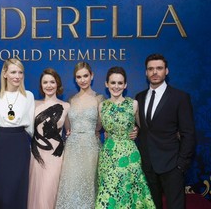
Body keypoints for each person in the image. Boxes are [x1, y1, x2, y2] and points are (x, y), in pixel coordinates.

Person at [135, 53, 196, 209]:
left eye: (159, 68)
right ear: (146, 72)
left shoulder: (180, 97)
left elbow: (188, 133)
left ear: (166, 71)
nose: (155, 72)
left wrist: (181, 165)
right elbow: (143, 129)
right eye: (151, 69)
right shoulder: (139, 98)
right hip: (147, 165)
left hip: (172, 166)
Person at [95, 66, 155, 208]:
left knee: (130, 192)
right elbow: (97, 128)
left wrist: (138, 130)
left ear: (125, 85)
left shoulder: (133, 104)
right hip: (108, 156)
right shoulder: (101, 106)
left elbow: (143, 128)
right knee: (108, 195)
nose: (116, 86)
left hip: (130, 155)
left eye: (120, 83)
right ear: (106, 84)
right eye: (113, 82)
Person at [55, 62, 104, 209]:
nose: (82, 80)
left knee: (89, 186)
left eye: (85, 76)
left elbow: (101, 125)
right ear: (75, 79)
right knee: (70, 185)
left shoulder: (99, 98)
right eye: (79, 77)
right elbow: (67, 127)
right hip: (72, 149)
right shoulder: (71, 100)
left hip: (91, 148)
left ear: (92, 76)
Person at [0, 58, 35, 209]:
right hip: (0, 143)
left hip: (19, 143)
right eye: (13, 72)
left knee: (17, 188)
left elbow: (31, 127)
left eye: (20, 72)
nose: (17, 76)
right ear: (5, 73)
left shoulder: (28, 95)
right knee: (1, 188)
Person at [28, 68, 70, 209]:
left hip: (55, 157)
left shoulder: (66, 106)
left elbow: (70, 131)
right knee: (37, 192)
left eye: (52, 82)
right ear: (41, 85)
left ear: (57, 84)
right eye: (45, 82)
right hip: (36, 155)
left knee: (50, 191)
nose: (49, 85)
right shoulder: (33, 104)